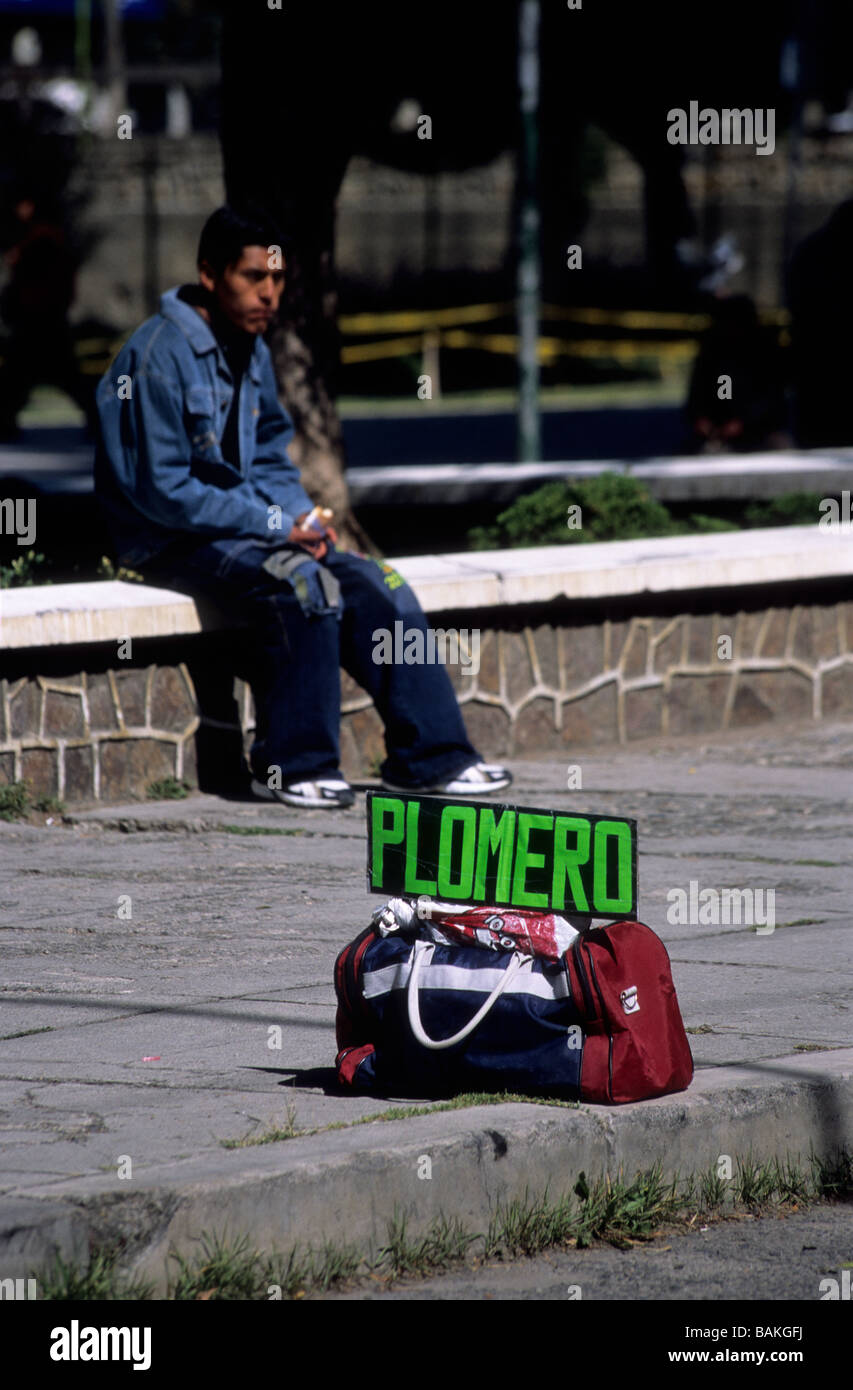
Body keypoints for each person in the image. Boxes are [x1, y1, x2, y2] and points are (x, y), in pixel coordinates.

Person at [94, 206, 510, 809]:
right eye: (253, 277)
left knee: (379, 578)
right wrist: (273, 525)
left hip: (242, 531)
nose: (270, 293)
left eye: (279, 279)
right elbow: (163, 491)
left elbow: (267, 456)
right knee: (302, 584)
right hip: (165, 541)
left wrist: (303, 520)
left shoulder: (250, 347)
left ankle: (432, 759)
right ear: (210, 275)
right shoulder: (158, 355)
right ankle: (293, 765)